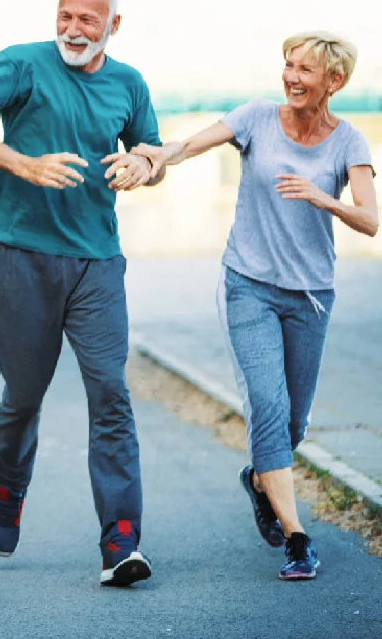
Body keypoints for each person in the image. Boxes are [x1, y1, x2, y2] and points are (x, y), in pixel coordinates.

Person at [0, 0, 163, 587]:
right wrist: (22, 164)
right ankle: (9, 485)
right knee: (24, 394)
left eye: (88, 19)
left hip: (97, 261)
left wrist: (143, 164)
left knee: (110, 391)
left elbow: (153, 152)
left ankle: (121, 539)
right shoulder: (22, 64)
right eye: (66, 15)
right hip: (20, 255)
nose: (73, 29)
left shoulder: (129, 83)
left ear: (113, 25)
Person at [132, 32, 377, 581]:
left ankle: (262, 478)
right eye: (288, 65)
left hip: (310, 296)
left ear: (334, 81)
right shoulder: (257, 118)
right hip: (249, 286)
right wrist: (159, 155)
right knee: (267, 404)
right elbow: (191, 146)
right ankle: (298, 538)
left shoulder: (348, 143)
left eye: (305, 70)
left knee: (293, 421)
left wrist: (323, 198)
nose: (291, 77)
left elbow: (370, 219)